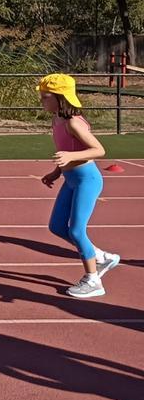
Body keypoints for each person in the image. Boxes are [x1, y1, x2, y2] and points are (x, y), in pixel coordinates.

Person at [37, 73, 120, 298]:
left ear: (61, 98)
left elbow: (99, 150)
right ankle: (100, 257)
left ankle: (93, 281)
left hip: (87, 180)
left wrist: (70, 155)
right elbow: (67, 156)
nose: (41, 101)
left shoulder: (73, 122)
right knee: (56, 226)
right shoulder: (57, 119)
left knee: (76, 230)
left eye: (45, 97)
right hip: (71, 179)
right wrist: (55, 173)